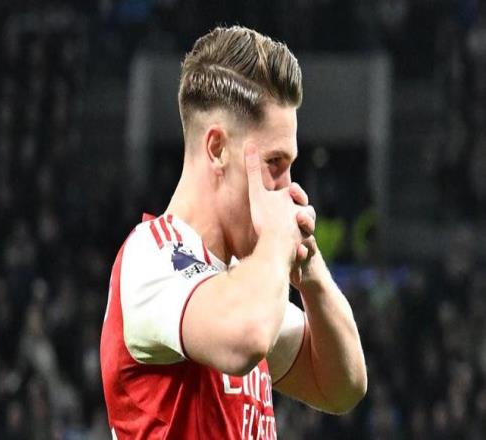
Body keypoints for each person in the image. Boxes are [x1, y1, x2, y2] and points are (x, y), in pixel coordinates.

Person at [100, 25, 367, 439]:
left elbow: (342, 386)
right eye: (275, 163)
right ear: (217, 149)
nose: (288, 188)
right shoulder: (151, 256)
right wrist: (276, 242)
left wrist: (310, 272)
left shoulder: (243, 282)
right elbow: (245, 338)